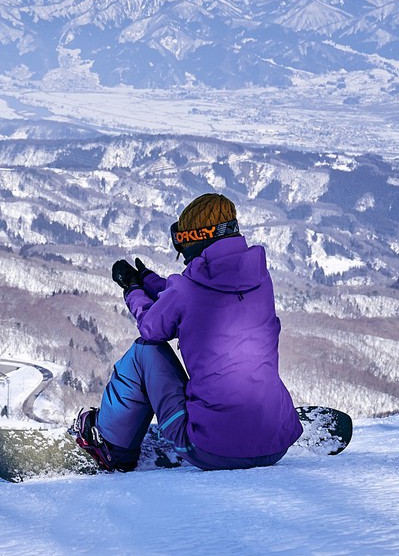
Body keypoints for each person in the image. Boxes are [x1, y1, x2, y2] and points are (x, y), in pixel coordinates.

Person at [71, 192, 302, 471]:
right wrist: (148, 280)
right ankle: (254, 423)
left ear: (195, 239)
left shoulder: (186, 290)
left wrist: (132, 289)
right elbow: (193, 295)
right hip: (276, 443)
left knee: (145, 350)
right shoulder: (261, 280)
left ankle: (111, 445)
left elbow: (152, 326)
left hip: (211, 448)